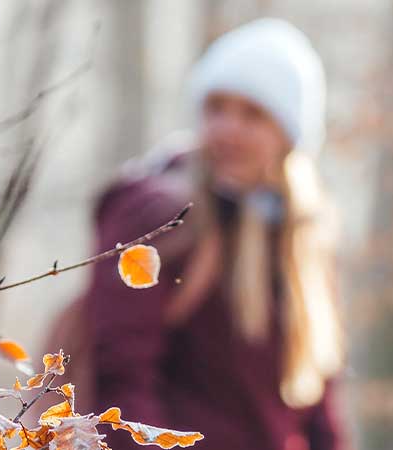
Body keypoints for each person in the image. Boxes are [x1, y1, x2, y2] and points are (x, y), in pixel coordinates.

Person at [70, 18, 349, 450]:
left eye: (253, 114)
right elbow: (121, 380)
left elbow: (320, 407)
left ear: (289, 137)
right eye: (216, 107)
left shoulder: (303, 238)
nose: (228, 129)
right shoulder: (160, 216)